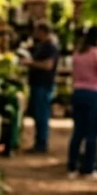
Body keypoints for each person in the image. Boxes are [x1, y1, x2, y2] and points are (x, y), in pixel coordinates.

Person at [67, 26, 97, 181]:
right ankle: (89, 168)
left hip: (78, 92)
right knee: (91, 132)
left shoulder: (79, 52)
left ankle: (72, 166)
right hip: (94, 93)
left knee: (78, 131)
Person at [20, 21, 60, 154]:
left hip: (44, 85)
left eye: (37, 31)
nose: (35, 34)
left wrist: (31, 63)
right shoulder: (41, 46)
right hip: (38, 85)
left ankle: (41, 144)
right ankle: (39, 142)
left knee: (42, 115)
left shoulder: (51, 47)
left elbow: (48, 65)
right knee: (39, 115)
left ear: (43, 32)